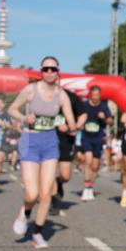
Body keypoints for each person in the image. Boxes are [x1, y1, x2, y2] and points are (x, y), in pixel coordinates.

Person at [7, 57, 78, 249]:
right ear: (41, 71)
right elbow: (11, 109)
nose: (49, 72)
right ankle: (25, 211)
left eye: (52, 69)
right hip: (30, 141)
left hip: (49, 144)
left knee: (46, 194)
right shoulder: (31, 90)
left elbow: (72, 123)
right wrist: (24, 117)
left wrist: (67, 126)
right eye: (46, 69)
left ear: (57, 72)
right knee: (32, 194)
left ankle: (37, 233)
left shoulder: (62, 96)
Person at [76, 85, 113, 201]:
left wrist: (105, 118)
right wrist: (80, 124)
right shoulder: (84, 105)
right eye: (94, 95)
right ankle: (86, 188)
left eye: (98, 95)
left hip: (98, 138)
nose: (96, 97)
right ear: (90, 95)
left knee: (95, 167)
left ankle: (90, 187)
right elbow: (78, 117)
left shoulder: (103, 106)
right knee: (88, 161)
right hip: (86, 137)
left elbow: (110, 121)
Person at [52, 87, 81, 216]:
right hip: (48, 139)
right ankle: (54, 202)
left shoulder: (70, 96)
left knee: (65, 176)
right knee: (50, 173)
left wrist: (72, 127)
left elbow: (83, 114)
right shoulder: (41, 95)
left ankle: (59, 184)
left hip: (66, 140)